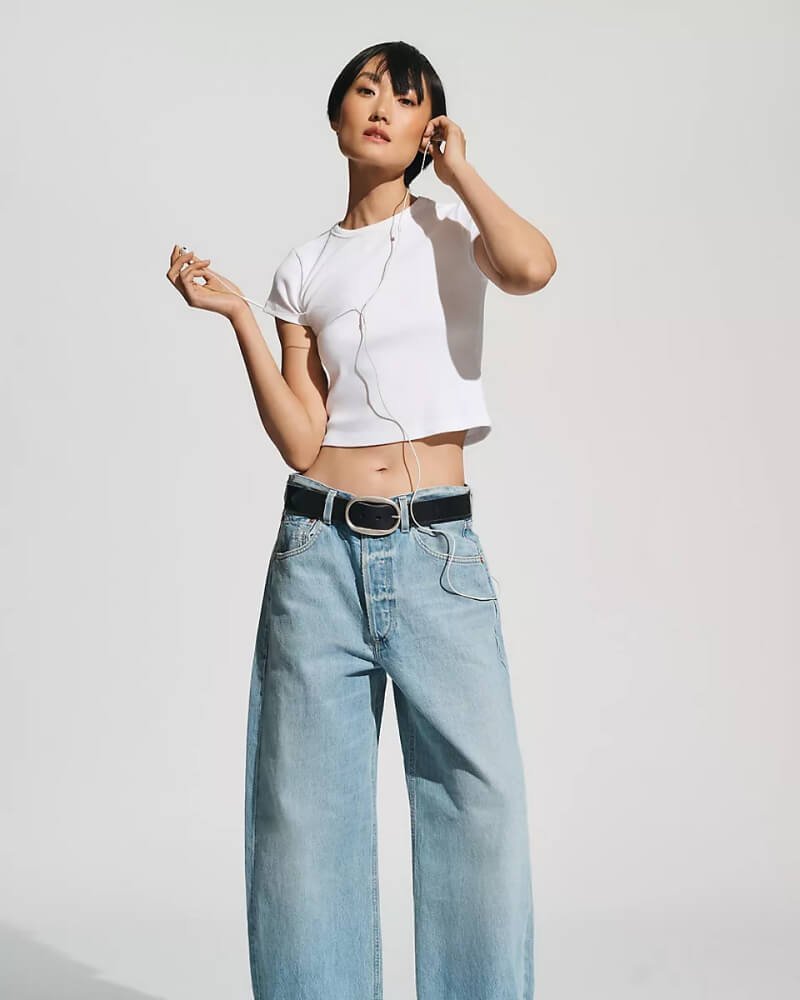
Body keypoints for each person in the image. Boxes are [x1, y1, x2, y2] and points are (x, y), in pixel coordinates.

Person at [166, 39, 556, 1000]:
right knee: (303, 823)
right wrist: (242, 319)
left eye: (407, 98)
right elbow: (302, 438)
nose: (382, 106)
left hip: (436, 551)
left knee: (479, 807)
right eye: (367, 90)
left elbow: (533, 267)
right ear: (338, 116)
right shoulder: (304, 267)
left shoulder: (453, 231)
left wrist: (459, 171)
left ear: (428, 129)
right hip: (316, 552)